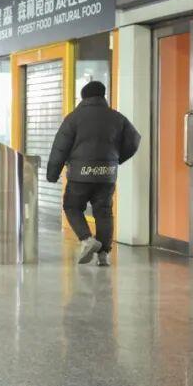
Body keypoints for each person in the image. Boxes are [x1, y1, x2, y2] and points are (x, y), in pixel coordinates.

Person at [47, 80, 141, 266]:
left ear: (83, 97)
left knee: (72, 206)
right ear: (102, 96)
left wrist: (52, 174)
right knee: (104, 212)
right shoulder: (117, 118)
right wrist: (115, 159)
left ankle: (87, 239)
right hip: (107, 174)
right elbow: (134, 141)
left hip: (80, 175)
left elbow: (60, 148)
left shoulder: (74, 118)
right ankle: (103, 254)